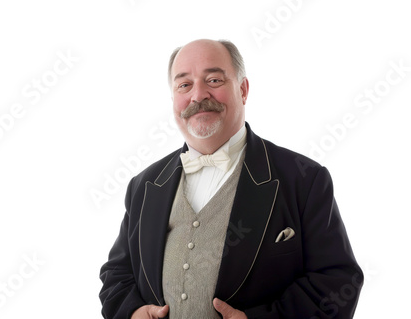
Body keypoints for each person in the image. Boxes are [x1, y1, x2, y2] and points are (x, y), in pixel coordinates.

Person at [99, 39, 363, 318]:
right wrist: (132, 312)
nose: (198, 95)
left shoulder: (304, 178)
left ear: (243, 89)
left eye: (213, 80)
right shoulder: (144, 184)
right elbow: (117, 273)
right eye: (184, 85)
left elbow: (338, 279)